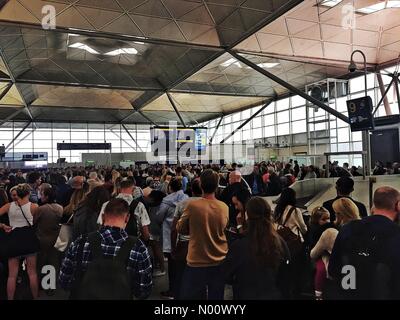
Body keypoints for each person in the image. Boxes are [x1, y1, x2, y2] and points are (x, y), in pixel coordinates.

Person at [59, 198, 152, 300]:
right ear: (127, 218)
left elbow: (64, 280)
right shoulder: (138, 248)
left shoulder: (81, 242)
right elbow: (143, 291)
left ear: (103, 217)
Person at [328, 186, 400, 299]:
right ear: (398, 205)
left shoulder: (348, 229)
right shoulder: (396, 234)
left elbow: (333, 269)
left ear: (374, 204)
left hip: (348, 295)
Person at [222, 197, 290, 299]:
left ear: (247, 215)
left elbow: (227, 275)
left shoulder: (239, 246)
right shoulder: (280, 243)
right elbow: (286, 275)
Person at [177, 169, 229, 300]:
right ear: (217, 186)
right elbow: (223, 228)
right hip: (219, 259)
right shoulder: (224, 207)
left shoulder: (192, 205)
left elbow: (180, 228)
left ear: (201, 185)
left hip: (197, 260)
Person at [310, 199, 360, 299]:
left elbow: (313, 254)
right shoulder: (362, 226)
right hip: (360, 272)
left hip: (343, 273)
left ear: (339, 214)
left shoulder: (330, 232)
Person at [0, 184, 39, 300]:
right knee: (32, 273)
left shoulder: (8, 206)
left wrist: (2, 225)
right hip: (29, 239)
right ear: (27, 193)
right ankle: (35, 297)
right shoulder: (34, 206)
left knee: (12, 275)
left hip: (13, 238)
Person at [170, 178, 202, 299]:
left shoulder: (182, 204)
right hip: (202, 246)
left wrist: (173, 248)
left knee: (180, 278)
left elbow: (174, 229)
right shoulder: (210, 204)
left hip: (183, 246)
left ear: (191, 190)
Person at [158, 178, 188, 299]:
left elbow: (159, 217)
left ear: (170, 188)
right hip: (184, 236)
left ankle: (172, 290)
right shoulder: (186, 199)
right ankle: (183, 288)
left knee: (172, 265)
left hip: (169, 235)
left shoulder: (165, 201)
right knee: (183, 265)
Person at [34, 184, 63, 281]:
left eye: (42, 194)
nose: (40, 196)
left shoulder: (41, 209)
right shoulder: (60, 208)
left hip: (41, 239)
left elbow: (34, 222)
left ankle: (39, 282)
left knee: (40, 262)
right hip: (55, 238)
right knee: (53, 262)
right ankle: (51, 285)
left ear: (46, 196)